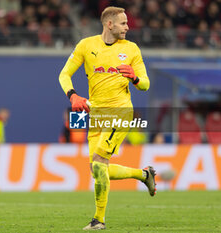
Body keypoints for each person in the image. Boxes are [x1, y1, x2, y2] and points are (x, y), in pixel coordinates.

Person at [58, 6, 156, 230]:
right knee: (96, 169)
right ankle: (144, 174)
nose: (127, 27)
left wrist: (135, 79)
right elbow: (64, 74)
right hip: (96, 113)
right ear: (109, 24)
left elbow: (146, 83)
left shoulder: (131, 49)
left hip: (121, 111)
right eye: (123, 23)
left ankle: (98, 220)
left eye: (127, 23)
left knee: (100, 163)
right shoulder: (86, 45)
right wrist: (72, 96)